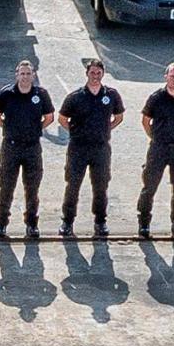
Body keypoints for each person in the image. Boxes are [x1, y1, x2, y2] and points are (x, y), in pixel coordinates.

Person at [58, 57, 124, 236]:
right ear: (86, 73)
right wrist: (76, 131)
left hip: (101, 148)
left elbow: (118, 117)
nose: (95, 76)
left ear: (103, 74)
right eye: (92, 72)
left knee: (101, 187)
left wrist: (105, 128)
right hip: (78, 148)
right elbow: (62, 119)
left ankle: (100, 222)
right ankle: (68, 222)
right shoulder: (75, 97)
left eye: (98, 73)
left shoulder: (111, 95)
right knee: (73, 186)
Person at [136, 63, 174, 238]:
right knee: (149, 186)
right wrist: (156, 137)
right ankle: (144, 224)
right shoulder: (156, 98)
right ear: (166, 77)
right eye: (172, 76)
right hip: (158, 148)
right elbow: (145, 121)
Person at [0, 59, 52, 236]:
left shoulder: (41, 94)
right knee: (6, 186)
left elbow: (49, 117)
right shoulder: (7, 94)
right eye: (22, 73)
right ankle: (1, 223)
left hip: (32, 148)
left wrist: (35, 129)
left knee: (32, 188)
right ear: (17, 75)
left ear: (33, 75)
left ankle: (32, 224)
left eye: (28, 73)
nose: (25, 77)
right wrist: (8, 127)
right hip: (11, 147)